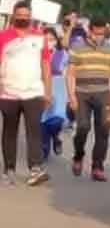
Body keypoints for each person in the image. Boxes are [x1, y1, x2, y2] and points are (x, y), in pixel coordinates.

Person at [0, 0, 52, 186]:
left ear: (31, 17)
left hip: (33, 91)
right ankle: (9, 169)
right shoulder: (3, 36)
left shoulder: (39, 38)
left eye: (26, 15)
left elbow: (45, 65)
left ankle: (35, 168)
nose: (23, 18)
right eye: (19, 15)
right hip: (8, 92)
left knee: (34, 131)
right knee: (10, 131)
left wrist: (48, 91)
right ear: (14, 16)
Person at [67, 16, 110, 182]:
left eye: (102, 33)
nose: (99, 36)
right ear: (89, 31)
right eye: (96, 33)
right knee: (82, 127)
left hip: (103, 93)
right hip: (82, 93)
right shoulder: (77, 47)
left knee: (103, 129)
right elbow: (70, 74)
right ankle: (78, 155)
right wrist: (72, 97)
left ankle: (98, 165)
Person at [40, 28, 69, 161]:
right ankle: (43, 150)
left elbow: (68, 73)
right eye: (46, 39)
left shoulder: (62, 54)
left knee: (56, 120)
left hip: (58, 89)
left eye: (52, 39)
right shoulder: (37, 54)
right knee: (43, 121)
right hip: (40, 88)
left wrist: (70, 94)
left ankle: (56, 137)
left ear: (56, 40)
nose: (49, 42)